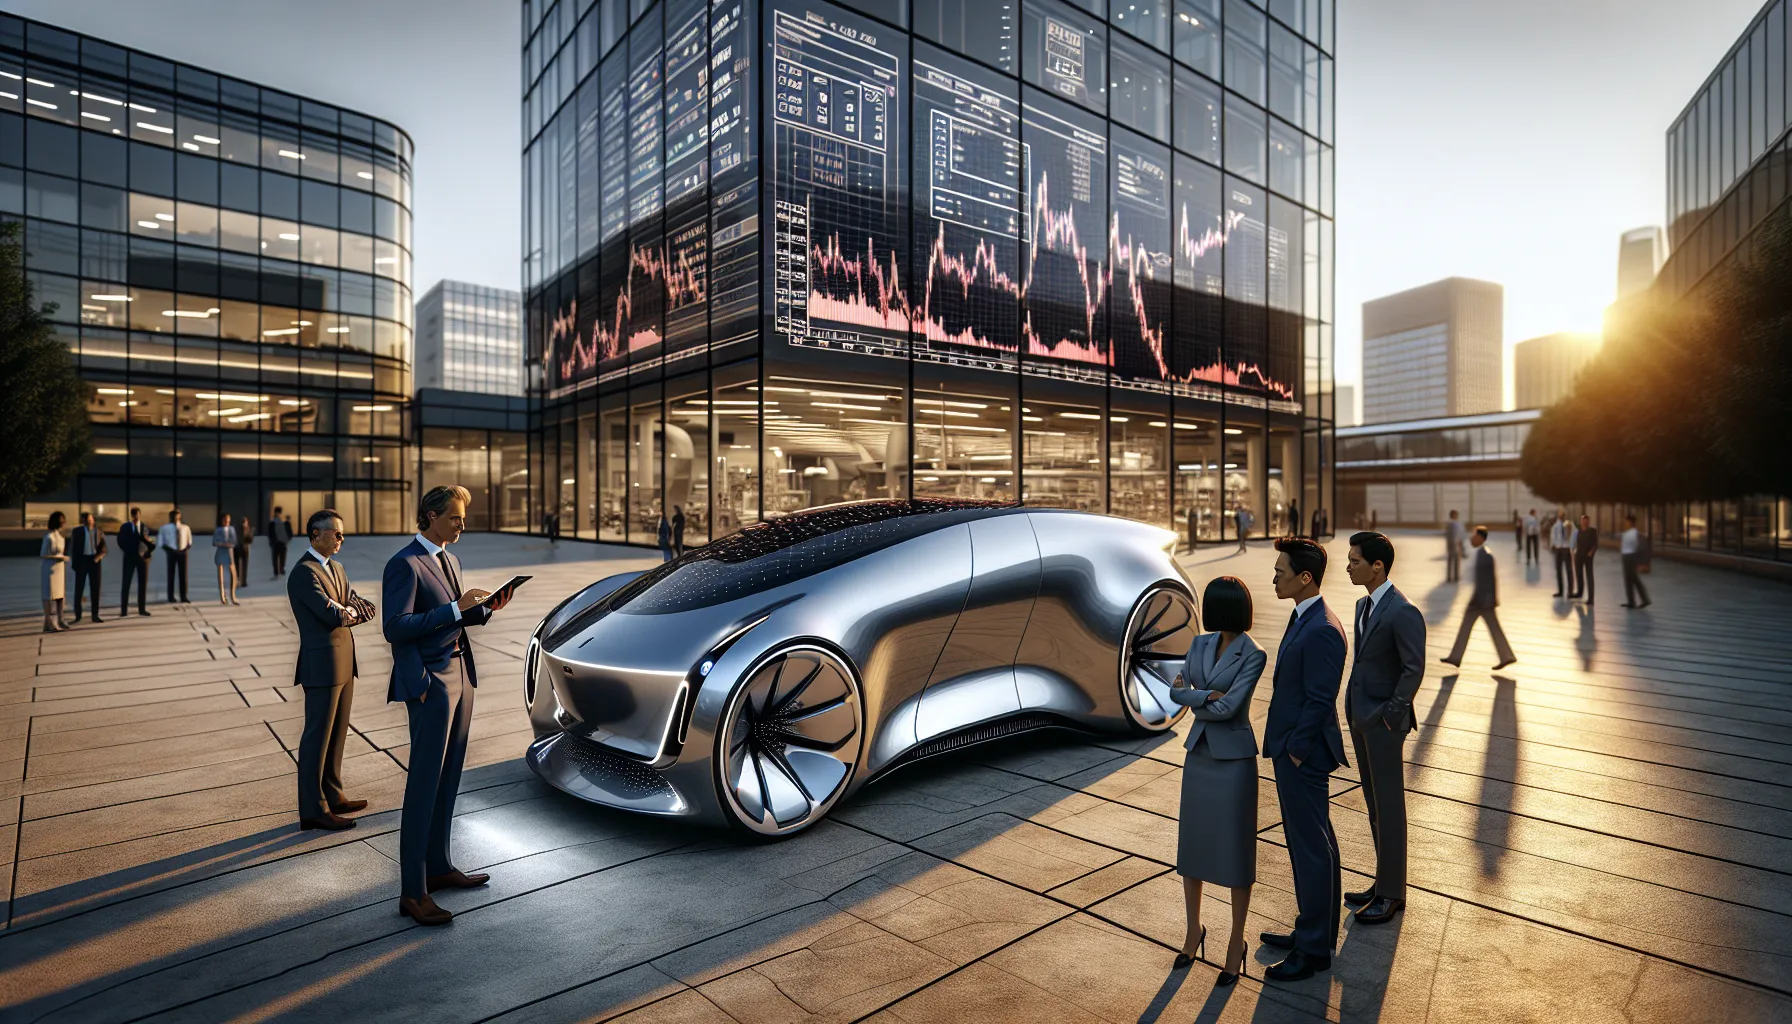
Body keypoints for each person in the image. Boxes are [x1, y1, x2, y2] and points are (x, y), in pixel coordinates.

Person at [383, 484, 512, 926]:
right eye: (455, 517)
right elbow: (396, 627)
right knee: (423, 784)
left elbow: (456, 615)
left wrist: (483, 609)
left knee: (450, 778)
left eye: (462, 517)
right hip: (431, 683)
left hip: (462, 676)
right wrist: (455, 610)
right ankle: (413, 892)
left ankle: (438, 866)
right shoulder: (404, 564)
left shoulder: (450, 559)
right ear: (431, 515)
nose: (462, 525)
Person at [1167, 576, 1265, 987]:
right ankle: (1194, 932)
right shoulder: (1198, 644)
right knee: (1193, 849)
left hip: (1234, 763)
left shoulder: (1253, 654)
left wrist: (1199, 696)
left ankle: (1234, 942)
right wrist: (1204, 696)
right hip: (1200, 757)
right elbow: (1175, 693)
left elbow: (1228, 709)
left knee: (1235, 856)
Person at [1259, 537, 1348, 983]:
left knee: (1312, 849)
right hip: (1294, 750)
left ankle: (1313, 950)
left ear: (1304, 577)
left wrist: (1293, 751)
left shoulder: (1323, 629)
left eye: (1280, 570)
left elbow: (1319, 700)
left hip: (1303, 755)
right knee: (1312, 844)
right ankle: (1313, 932)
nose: (1274, 577)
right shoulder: (1305, 617)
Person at [1343, 532, 1427, 927]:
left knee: (1390, 809)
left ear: (1378, 566)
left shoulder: (1402, 610)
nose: (1348, 566)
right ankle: (1382, 882)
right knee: (1375, 806)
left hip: (1383, 725)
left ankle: (1392, 893)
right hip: (1362, 719)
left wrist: (1391, 716)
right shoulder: (1364, 605)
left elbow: (1414, 668)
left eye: (1355, 560)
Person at [289, 509, 373, 832]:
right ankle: (313, 810)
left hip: (344, 664)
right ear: (314, 535)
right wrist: (349, 610)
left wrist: (349, 609)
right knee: (317, 739)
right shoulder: (303, 573)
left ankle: (334, 795)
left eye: (342, 533)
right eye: (335, 533)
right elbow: (332, 614)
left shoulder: (336, 568)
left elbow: (359, 604)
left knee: (338, 736)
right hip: (321, 666)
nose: (341, 539)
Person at [1442, 527, 1517, 669]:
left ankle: (1456, 657)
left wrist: (1486, 599)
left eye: (1475, 536)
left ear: (1481, 538)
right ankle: (1506, 656)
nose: (1472, 538)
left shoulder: (1485, 555)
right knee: (1488, 628)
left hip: (1481, 601)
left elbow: (1489, 581)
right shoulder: (1480, 553)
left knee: (1473, 627)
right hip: (1482, 600)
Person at [69, 511, 108, 624]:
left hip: (94, 561)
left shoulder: (99, 532)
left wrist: (98, 557)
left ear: (93, 520)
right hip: (82, 561)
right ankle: (78, 615)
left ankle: (95, 615)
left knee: (95, 588)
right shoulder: (77, 532)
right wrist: (75, 564)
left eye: (90, 520)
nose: (89, 522)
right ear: (83, 521)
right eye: (86, 520)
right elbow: (73, 548)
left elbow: (104, 548)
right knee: (79, 589)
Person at [117, 506, 156, 617]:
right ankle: (124, 610)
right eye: (134, 515)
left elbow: (150, 541)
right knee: (126, 583)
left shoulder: (144, 527)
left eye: (137, 515)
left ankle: (142, 609)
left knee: (142, 584)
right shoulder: (125, 527)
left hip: (142, 559)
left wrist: (147, 552)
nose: (136, 517)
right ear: (131, 516)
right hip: (129, 558)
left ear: (140, 515)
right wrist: (128, 550)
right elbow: (120, 541)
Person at [40, 511, 70, 633]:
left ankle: (60, 619)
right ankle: (49, 621)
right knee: (49, 595)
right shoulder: (49, 537)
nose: (63, 522)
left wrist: (61, 558)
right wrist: (58, 557)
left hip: (60, 569)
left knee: (60, 595)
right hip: (49, 570)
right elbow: (43, 554)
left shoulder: (60, 536)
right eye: (61, 520)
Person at [157, 508, 193, 604]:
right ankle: (171, 596)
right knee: (171, 575)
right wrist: (170, 551)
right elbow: (161, 543)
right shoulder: (164, 528)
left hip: (183, 552)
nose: (175, 517)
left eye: (177, 515)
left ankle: (183, 596)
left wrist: (184, 549)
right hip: (171, 552)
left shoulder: (185, 528)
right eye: (173, 515)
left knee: (183, 575)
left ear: (180, 516)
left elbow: (189, 541)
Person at [1620, 515, 1652, 609]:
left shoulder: (1635, 534)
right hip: (1625, 557)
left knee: (1633, 579)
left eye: (1626, 522)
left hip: (1631, 557)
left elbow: (1643, 548)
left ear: (1630, 522)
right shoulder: (1626, 533)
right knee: (1630, 580)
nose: (1624, 524)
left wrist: (1642, 563)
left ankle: (1641, 600)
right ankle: (1632, 601)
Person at [1571, 513, 1599, 604]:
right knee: (1579, 574)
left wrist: (1591, 552)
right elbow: (1573, 541)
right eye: (1583, 520)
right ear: (1581, 521)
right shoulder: (1577, 531)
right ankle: (1579, 593)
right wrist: (1573, 552)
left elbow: (1595, 544)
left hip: (1588, 556)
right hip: (1578, 555)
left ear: (1588, 521)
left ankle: (1591, 598)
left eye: (1586, 520)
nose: (1584, 522)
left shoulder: (1592, 531)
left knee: (1589, 576)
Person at [213, 513, 240, 606]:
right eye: (225, 519)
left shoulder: (231, 529)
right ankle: (222, 596)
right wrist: (224, 544)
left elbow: (234, 541)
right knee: (220, 575)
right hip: (221, 552)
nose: (227, 521)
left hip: (229, 552)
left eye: (228, 519)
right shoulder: (218, 530)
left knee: (233, 574)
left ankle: (233, 595)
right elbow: (215, 542)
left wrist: (223, 543)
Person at [1549, 510, 1576, 597]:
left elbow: (1574, 534)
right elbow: (1552, 536)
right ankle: (1560, 591)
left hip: (1566, 548)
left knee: (1569, 570)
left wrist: (1572, 546)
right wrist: (1552, 546)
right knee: (1558, 570)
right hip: (1558, 549)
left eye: (1562, 514)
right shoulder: (1555, 526)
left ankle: (1570, 592)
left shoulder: (1569, 524)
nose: (1561, 516)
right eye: (1559, 514)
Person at [268, 506, 293, 578]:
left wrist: (271, 541)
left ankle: (276, 571)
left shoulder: (272, 523)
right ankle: (281, 569)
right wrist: (287, 539)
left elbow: (270, 534)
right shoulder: (284, 523)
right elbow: (289, 533)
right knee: (282, 556)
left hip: (276, 543)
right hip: (282, 542)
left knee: (275, 557)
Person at [1443, 510, 1465, 583]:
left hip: (1455, 543)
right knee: (1452, 560)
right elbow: (1452, 535)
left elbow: (1460, 534)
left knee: (1455, 560)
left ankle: (1455, 576)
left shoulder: (1457, 524)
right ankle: (1451, 577)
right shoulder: (1452, 524)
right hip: (1453, 544)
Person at [235, 516, 254, 590]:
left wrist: (247, 534)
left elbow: (250, 539)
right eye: (243, 522)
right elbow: (236, 538)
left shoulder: (249, 530)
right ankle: (237, 581)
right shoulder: (237, 530)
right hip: (237, 548)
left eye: (245, 522)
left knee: (245, 566)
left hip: (245, 549)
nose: (244, 524)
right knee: (237, 566)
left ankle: (244, 581)